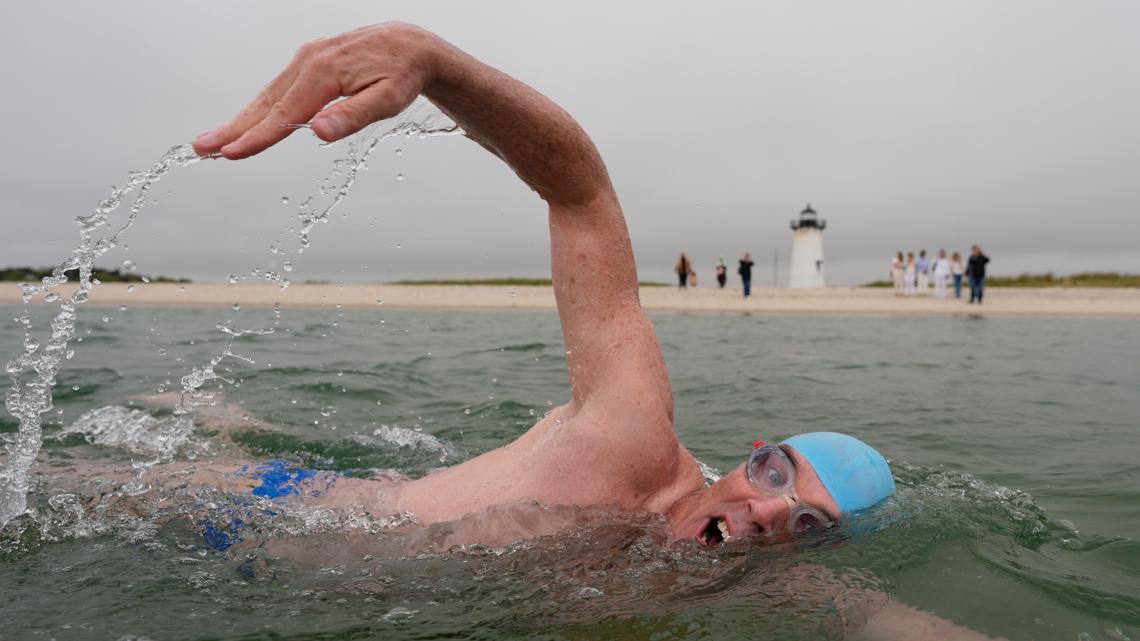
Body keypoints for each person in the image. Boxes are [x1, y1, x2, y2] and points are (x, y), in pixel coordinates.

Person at [187, 24, 1004, 638]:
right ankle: (216, 428)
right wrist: (433, 62)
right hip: (259, 514)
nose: (767, 510)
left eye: (809, 523)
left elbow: (883, 621)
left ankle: (225, 419)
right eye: (774, 472)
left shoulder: (758, 578)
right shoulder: (631, 439)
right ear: (752, 454)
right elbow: (580, 194)